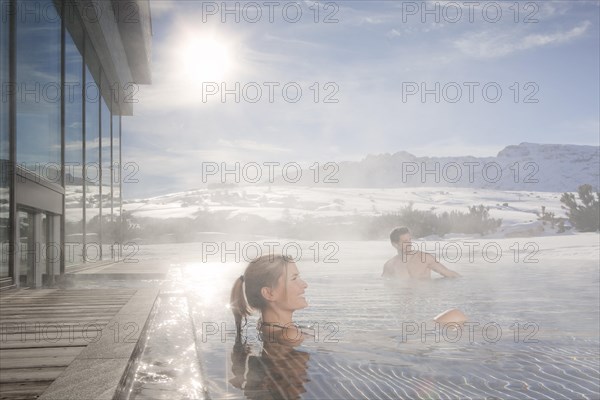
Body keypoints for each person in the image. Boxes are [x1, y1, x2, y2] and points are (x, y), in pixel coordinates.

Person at [230, 254, 310, 347]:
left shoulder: (264, 327)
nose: (305, 284)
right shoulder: (290, 336)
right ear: (268, 293)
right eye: (294, 278)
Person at [382, 226, 461, 279]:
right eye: (405, 241)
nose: (410, 243)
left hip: (424, 301)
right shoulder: (389, 265)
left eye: (410, 240)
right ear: (395, 244)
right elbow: (386, 287)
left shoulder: (424, 258)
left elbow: (450, 274)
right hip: (402, 302)